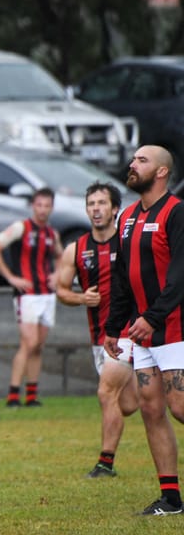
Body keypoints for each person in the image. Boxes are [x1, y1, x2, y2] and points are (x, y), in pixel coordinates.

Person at [104, 145, 184, 516]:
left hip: (175, 326)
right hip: (143, 332)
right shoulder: (127, 217)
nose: (132, 165)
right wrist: (112, 326)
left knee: (180, 406)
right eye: (133, 159)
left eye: (142, 160)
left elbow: (181, 276)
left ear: (163, 172)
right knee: (151, 410)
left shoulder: (176, 213)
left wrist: (153, 316)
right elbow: (121, 279)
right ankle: (170, 499)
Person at [55, 181, 138, 478]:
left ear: (115, 209)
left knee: (106, 393)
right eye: (91, 204)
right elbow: (61, 291)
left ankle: (105, 463)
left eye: (102, 203)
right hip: (98, 336)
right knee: (127, 404)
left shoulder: (128, 243)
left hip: (128, 331)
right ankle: (157, 386)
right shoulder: (75, 249)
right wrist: (81, 297)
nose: (96, 209)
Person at [0, 187, 63, 407]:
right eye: (39, 205)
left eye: (47, 206)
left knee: (38, 346)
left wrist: (57, 274)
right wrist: (11, 277)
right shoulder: (21, 228)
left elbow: (61, 256)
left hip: (46, 294)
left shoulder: (51, 234)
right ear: (32, 206)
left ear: (52, 208)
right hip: (26, 294)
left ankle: (31, 395)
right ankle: (13, 394)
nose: (43, 210)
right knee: (29, 343)